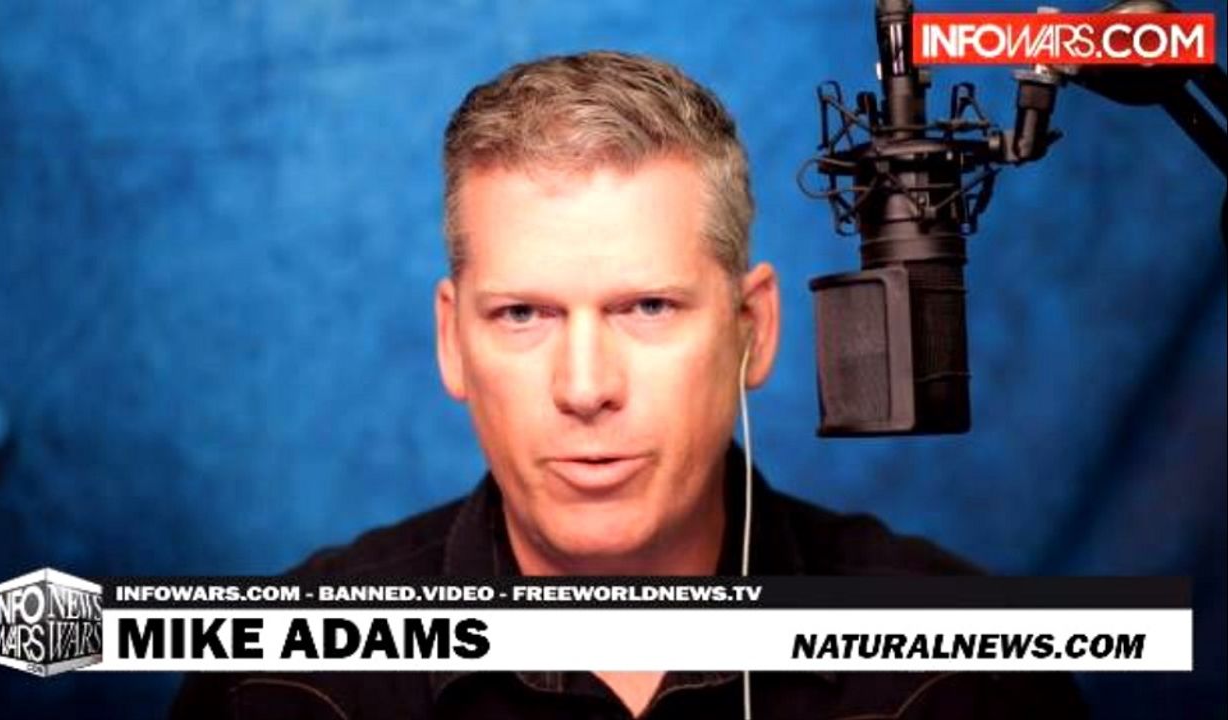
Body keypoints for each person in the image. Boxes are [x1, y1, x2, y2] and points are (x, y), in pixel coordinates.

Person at [172, 50, 1085, 719]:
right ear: (452, 341)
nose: (584, 388)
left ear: (753, 329)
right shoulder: (280, 690)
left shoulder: (969, 677)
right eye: (522, 314)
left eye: (647, 307)